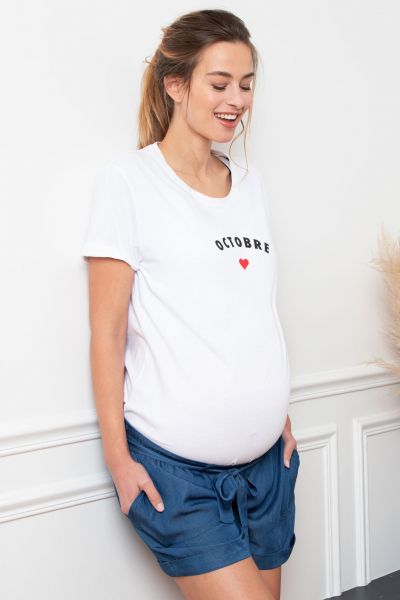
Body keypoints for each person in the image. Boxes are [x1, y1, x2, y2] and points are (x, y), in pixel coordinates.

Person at [82, 8, 300, 600]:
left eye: (246, 85)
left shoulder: (251, 184)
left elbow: (252, 310)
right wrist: (118, 460)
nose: (237, 100)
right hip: (178, 476)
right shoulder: (128, 182)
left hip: (267, 466)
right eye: (220, 83)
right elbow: (107, 332)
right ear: (175, 84)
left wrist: (275, 412)